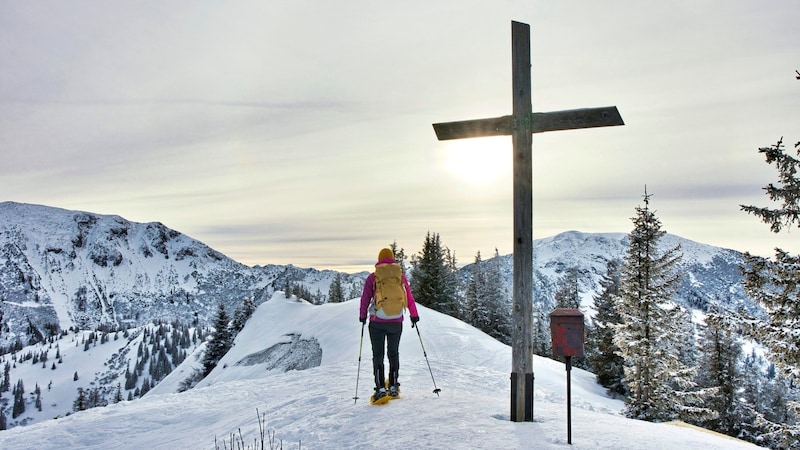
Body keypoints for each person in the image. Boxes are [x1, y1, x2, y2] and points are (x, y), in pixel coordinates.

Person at [359, 247, 419, 401]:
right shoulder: (401, 277)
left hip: (377, 322)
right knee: (393, 353)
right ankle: (393, 385)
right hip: (396, 322)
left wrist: (362, 315)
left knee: (378, 355)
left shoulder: (373, 278)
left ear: (379, 260)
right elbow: (409, 297)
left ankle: (380, 387)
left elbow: (365, 299)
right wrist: (414, 315)